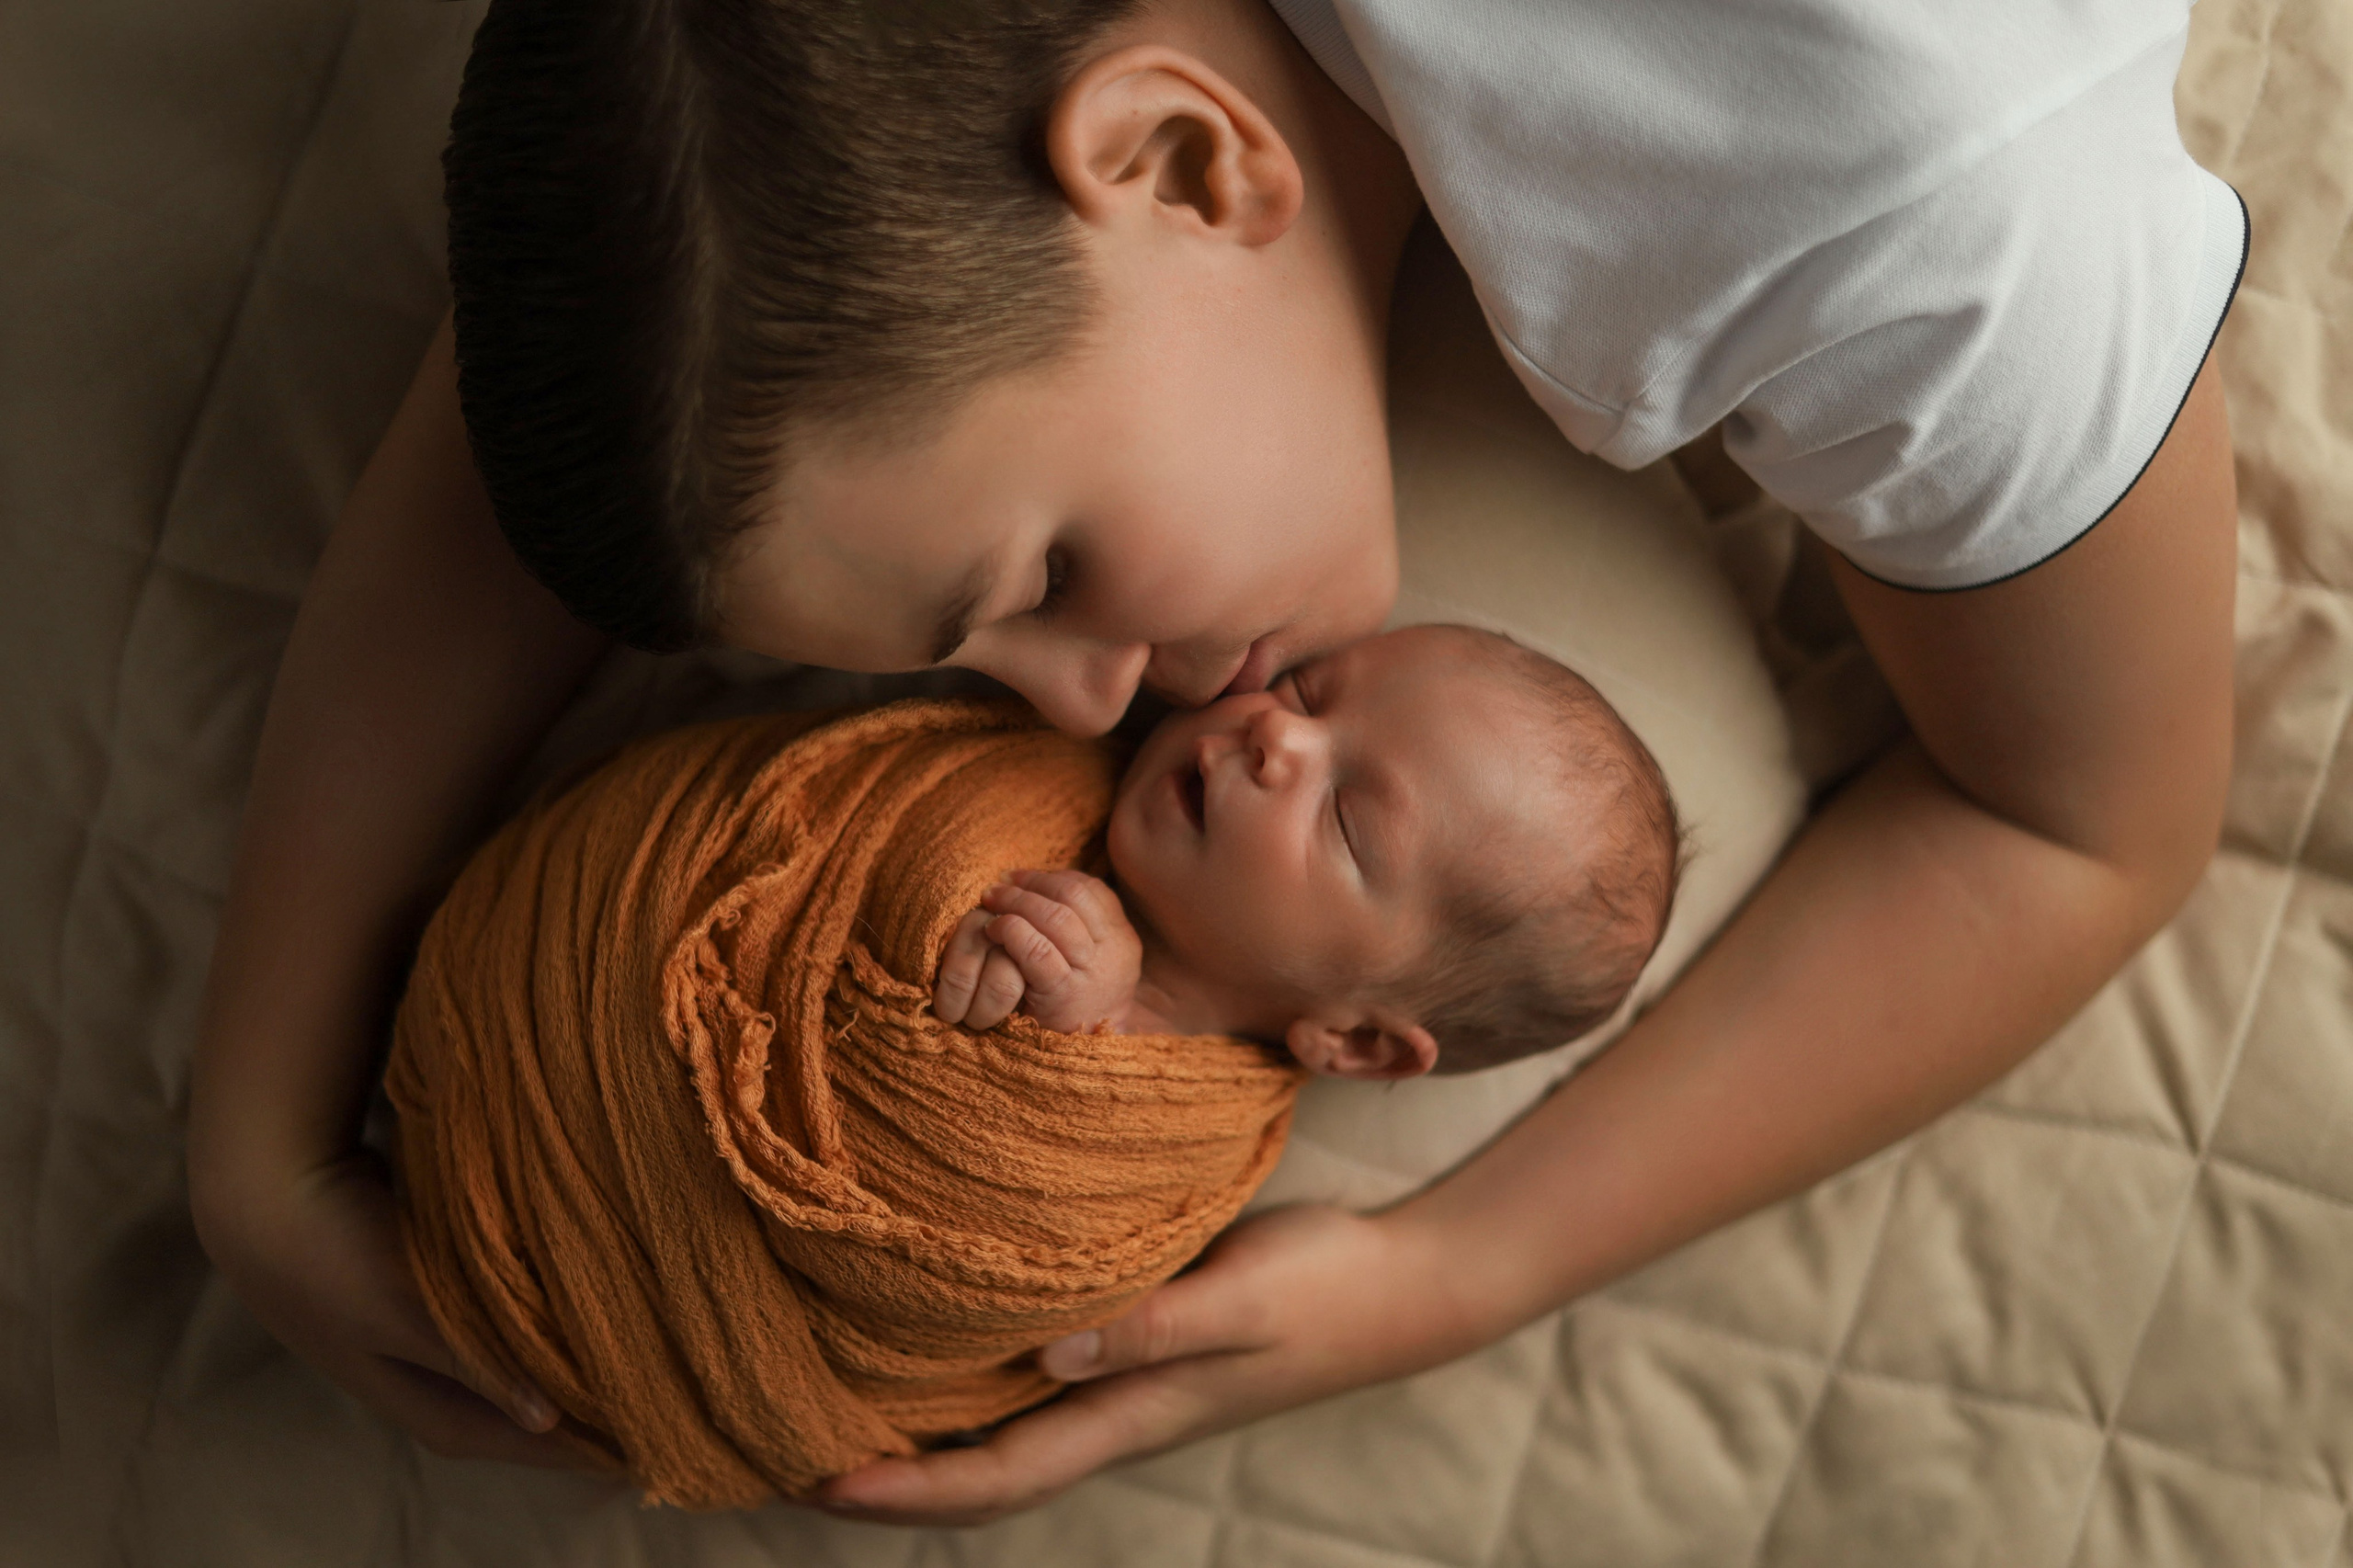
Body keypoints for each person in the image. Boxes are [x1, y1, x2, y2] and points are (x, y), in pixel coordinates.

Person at [186, 0, 2243, 1525]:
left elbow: (2073, 821)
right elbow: (698, 241)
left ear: (1188, 161)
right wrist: (260, 1119)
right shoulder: (889, 117)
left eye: (1047, 575)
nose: (1081, 707)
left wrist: (1450, 1270)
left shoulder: (1882, 197)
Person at [931, 623, 1679, 1078]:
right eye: (1307, 692)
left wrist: (1082, 1032)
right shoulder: (1072, 738)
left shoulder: (1188, 1124)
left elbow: (1041, 1218)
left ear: (1357, 1041)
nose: (1277, 734)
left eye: (1345, 818)